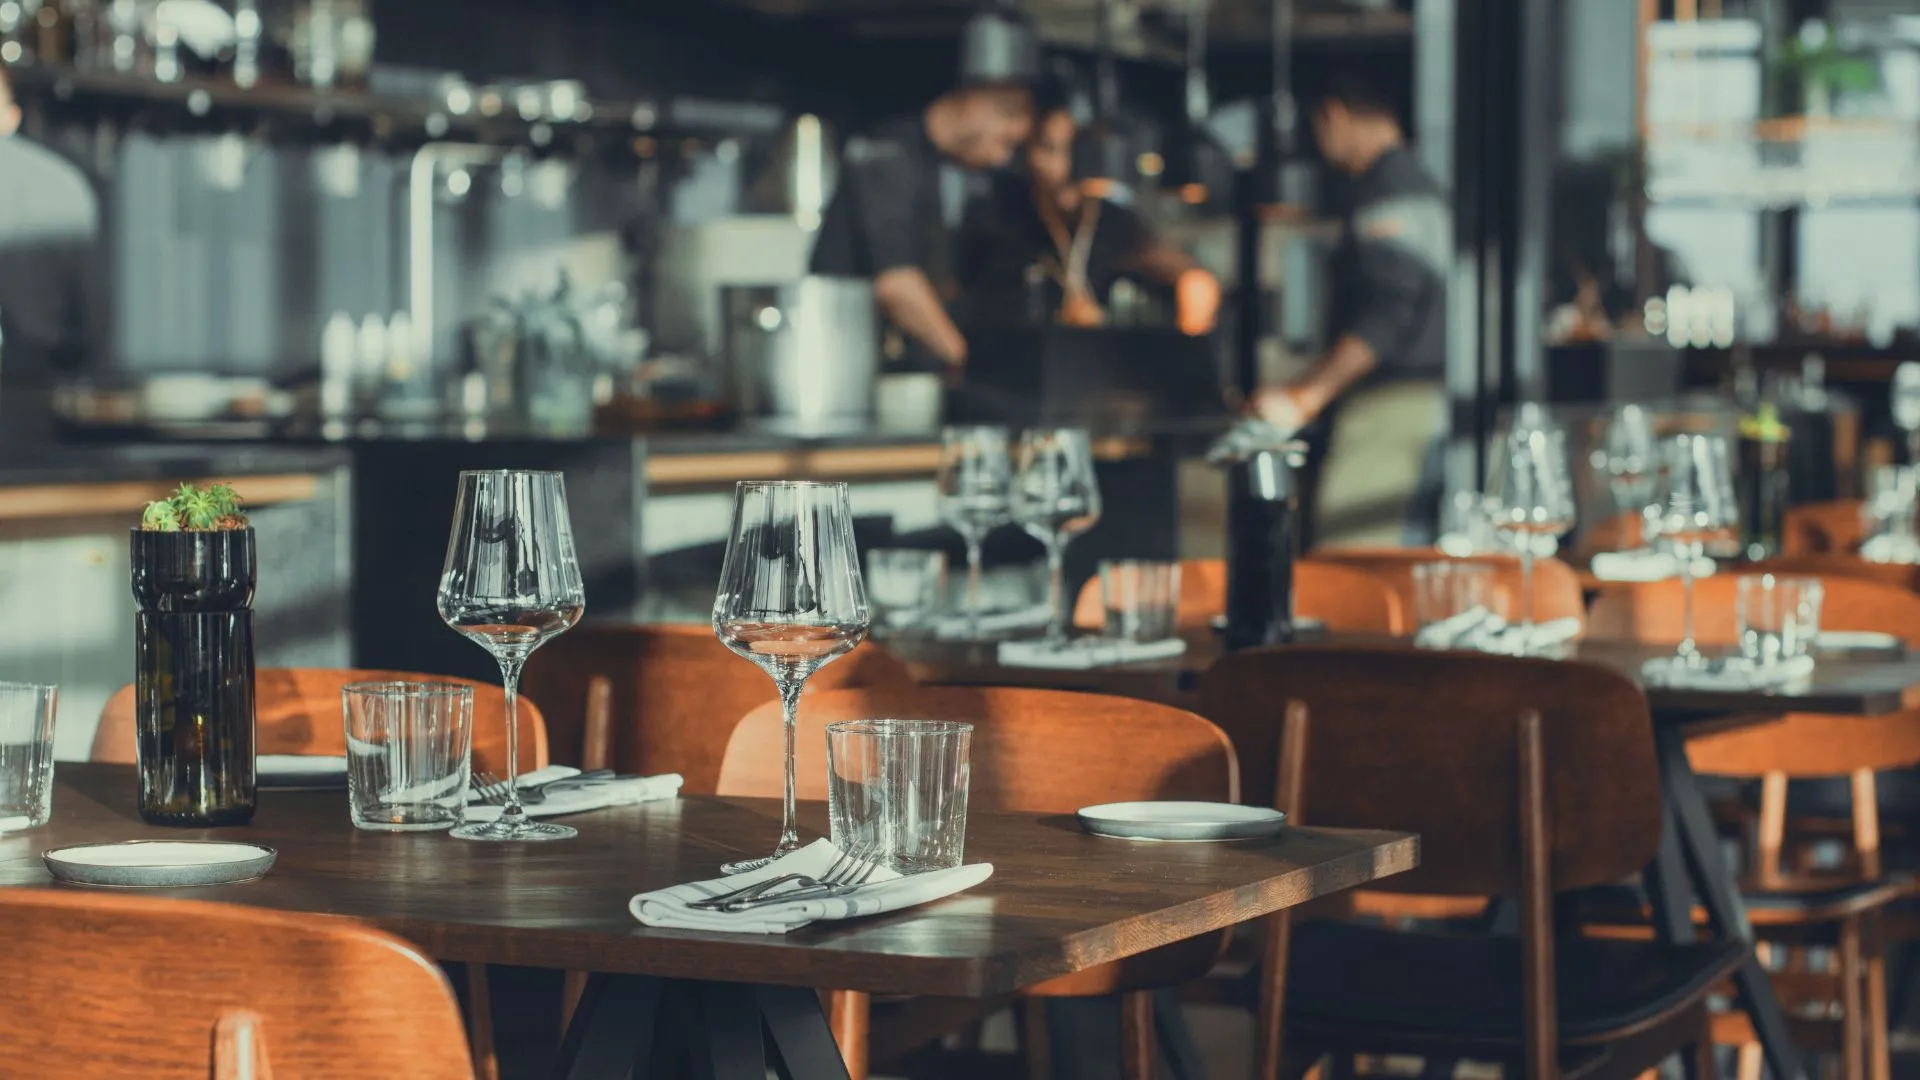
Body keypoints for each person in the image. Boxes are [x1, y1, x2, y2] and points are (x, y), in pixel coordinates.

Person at [1255, 72, 1449, 547]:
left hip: (1392, 407)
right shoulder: (1414, 181)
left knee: (1351, 563)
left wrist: (1307, 394)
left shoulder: (1390, 189)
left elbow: (1389, 314)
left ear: (1335, 114)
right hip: (1414, 406)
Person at [808, 79, 1034, 378]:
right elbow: (896, 285)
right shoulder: (887, 152)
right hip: (838, 367)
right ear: (977, 106)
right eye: (1006, 141)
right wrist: (966, 361)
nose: (1003, 158)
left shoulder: (940, 167)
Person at [956, 94, 1220, 335]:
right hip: (1012, 368)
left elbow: (1188, 275)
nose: (1065, 167)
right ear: (1028, 151)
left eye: (1075, 150)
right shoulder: (997, 214)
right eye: (1050, 149)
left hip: (1092, 369)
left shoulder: (1112, 220)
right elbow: (959, 294)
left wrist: (1191, 322)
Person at [0, 62, 101, 450]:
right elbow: (94, 322)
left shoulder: (59, 188)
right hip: (42, 406)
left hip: (31, 401)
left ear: (13, 117)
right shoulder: (66, 185)